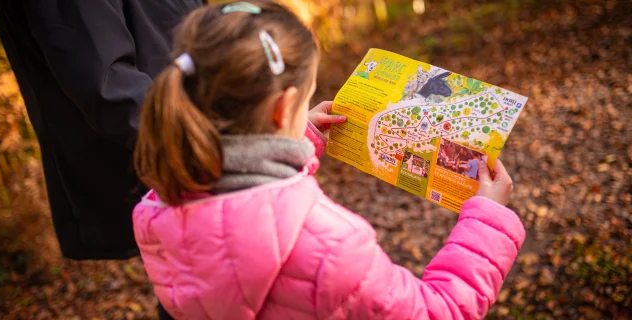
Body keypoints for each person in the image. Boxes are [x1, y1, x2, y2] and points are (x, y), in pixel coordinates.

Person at [132, 1, 525, 319]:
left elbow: (246, 208)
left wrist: (299, 137)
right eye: (305, 98)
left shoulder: (161, 202)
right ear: (284, 108)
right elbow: (437, 312)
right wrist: (486, 219)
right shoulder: (331, 246)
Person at [0, 0, 203, 260]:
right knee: (193, 278)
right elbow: (106, 82)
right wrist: (205, 141)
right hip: (158, 158)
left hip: (189, 139)